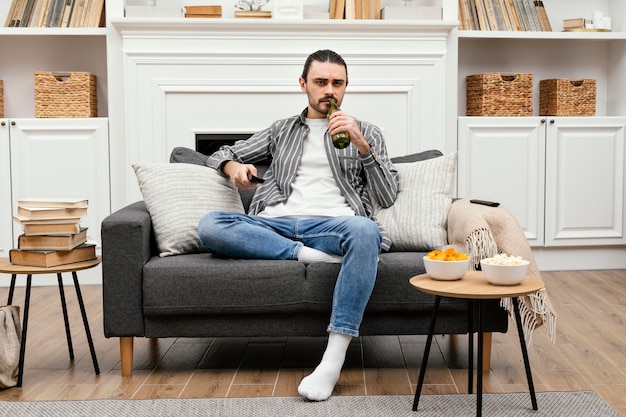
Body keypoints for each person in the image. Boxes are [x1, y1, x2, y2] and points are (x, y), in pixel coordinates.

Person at [198, 49, 398, 401]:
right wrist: (233, 169)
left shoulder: (366, 132)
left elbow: (388, 195)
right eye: (321, 82)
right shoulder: (282, 130)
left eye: (337, 83)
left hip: (334, 226)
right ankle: (303, 254)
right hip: (274, 224)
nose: (329, 91)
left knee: (366, 231)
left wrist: (363, 146)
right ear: (303, 84)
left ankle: (331, 362)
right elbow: (221, 152)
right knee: (211, 225)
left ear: (346, 87)